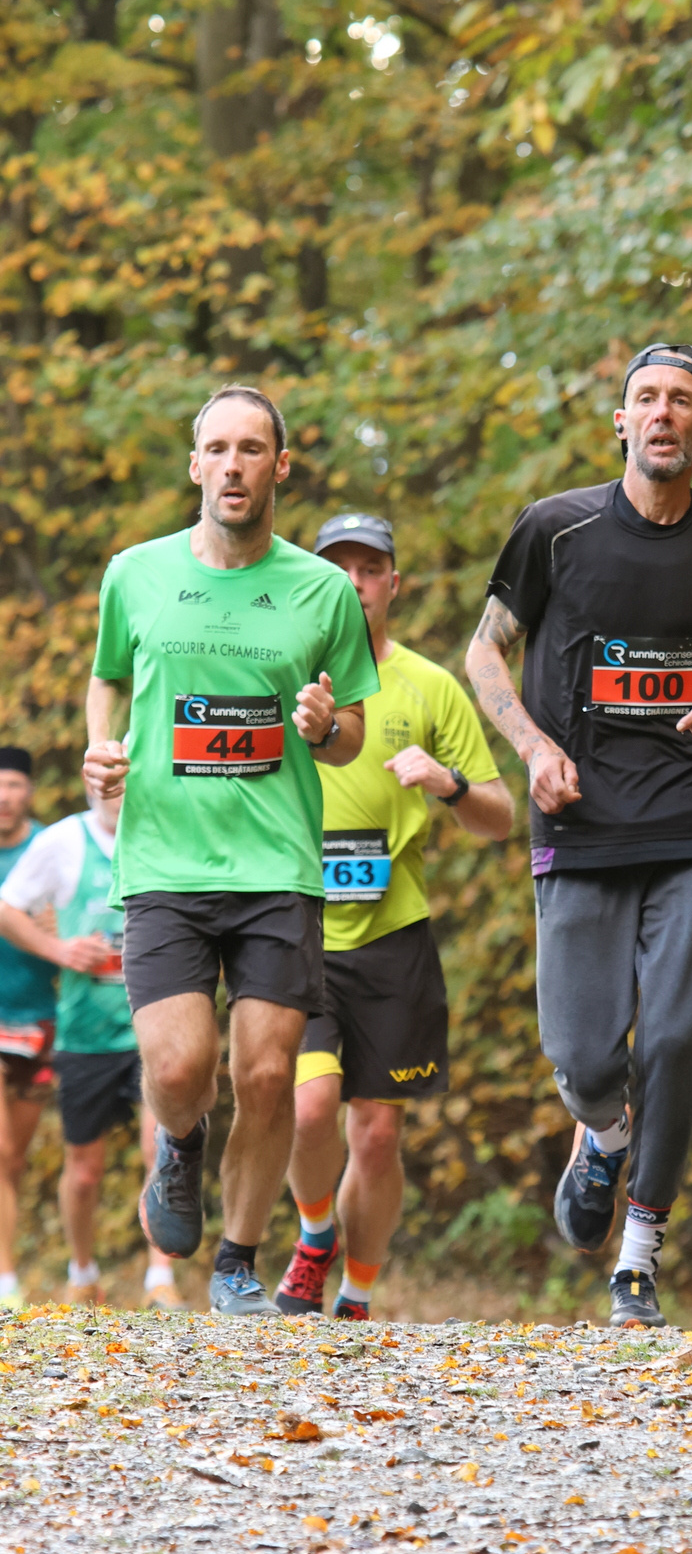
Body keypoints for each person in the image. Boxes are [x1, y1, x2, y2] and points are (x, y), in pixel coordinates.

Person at [466, 343, 692, 1327]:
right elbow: (484, 653)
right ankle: (603, 1136)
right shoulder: (555, 529)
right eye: (646, 399)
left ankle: (638, 1259)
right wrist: (533, 748)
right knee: (582, 1057)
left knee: (673, 1036)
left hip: (691, 820)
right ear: (620, 423)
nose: (663, 413)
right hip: (578, 817)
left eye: (682, 401)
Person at [83, 384, 380, 1318]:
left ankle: (238, 1262)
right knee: (180, 1070)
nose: (233, 465)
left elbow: (352, 733)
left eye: (252, 449)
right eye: (217, 448)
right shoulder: (135, 574)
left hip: (277, 866)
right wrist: (100, 749)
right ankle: (179, 1146)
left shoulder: (323, 590)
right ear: (195, 466)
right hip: (164, 861)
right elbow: (107, 678)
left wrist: (326, 727)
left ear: (280, 466)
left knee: (267, 1075)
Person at [274, 514, 513, 1321]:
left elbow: (499, 817)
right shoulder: (284, 676)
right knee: (310, 1107)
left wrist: (448, 783)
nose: (353, 583)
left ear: (393, 584)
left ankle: (357, 1298)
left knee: (376, 1135)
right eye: (336, 568)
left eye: (369, 568)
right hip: (299, 929)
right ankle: (315, 1235)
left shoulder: (431, 686)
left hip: (392, 935)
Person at [0, 772, 185, 1309]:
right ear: (88, 785)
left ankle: (160, 1281)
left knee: (161, 1151)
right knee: (84, 1171)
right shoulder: (61, 841)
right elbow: (7, 907)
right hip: (85, 1032)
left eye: (126, 782)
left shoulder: (169, 832)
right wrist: (58, 950)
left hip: (156, 1025)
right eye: (106, 783)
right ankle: (83, 1272)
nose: (115, 793)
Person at [0, 748, 58, 1312]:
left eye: (14, 784)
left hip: (40, 1018)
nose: (3, 796)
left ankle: (8, 1266)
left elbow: (91, 916)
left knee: (13, 1158)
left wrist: (57, 929)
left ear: (30, 792)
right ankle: (6, 1277)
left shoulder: (50, 848)